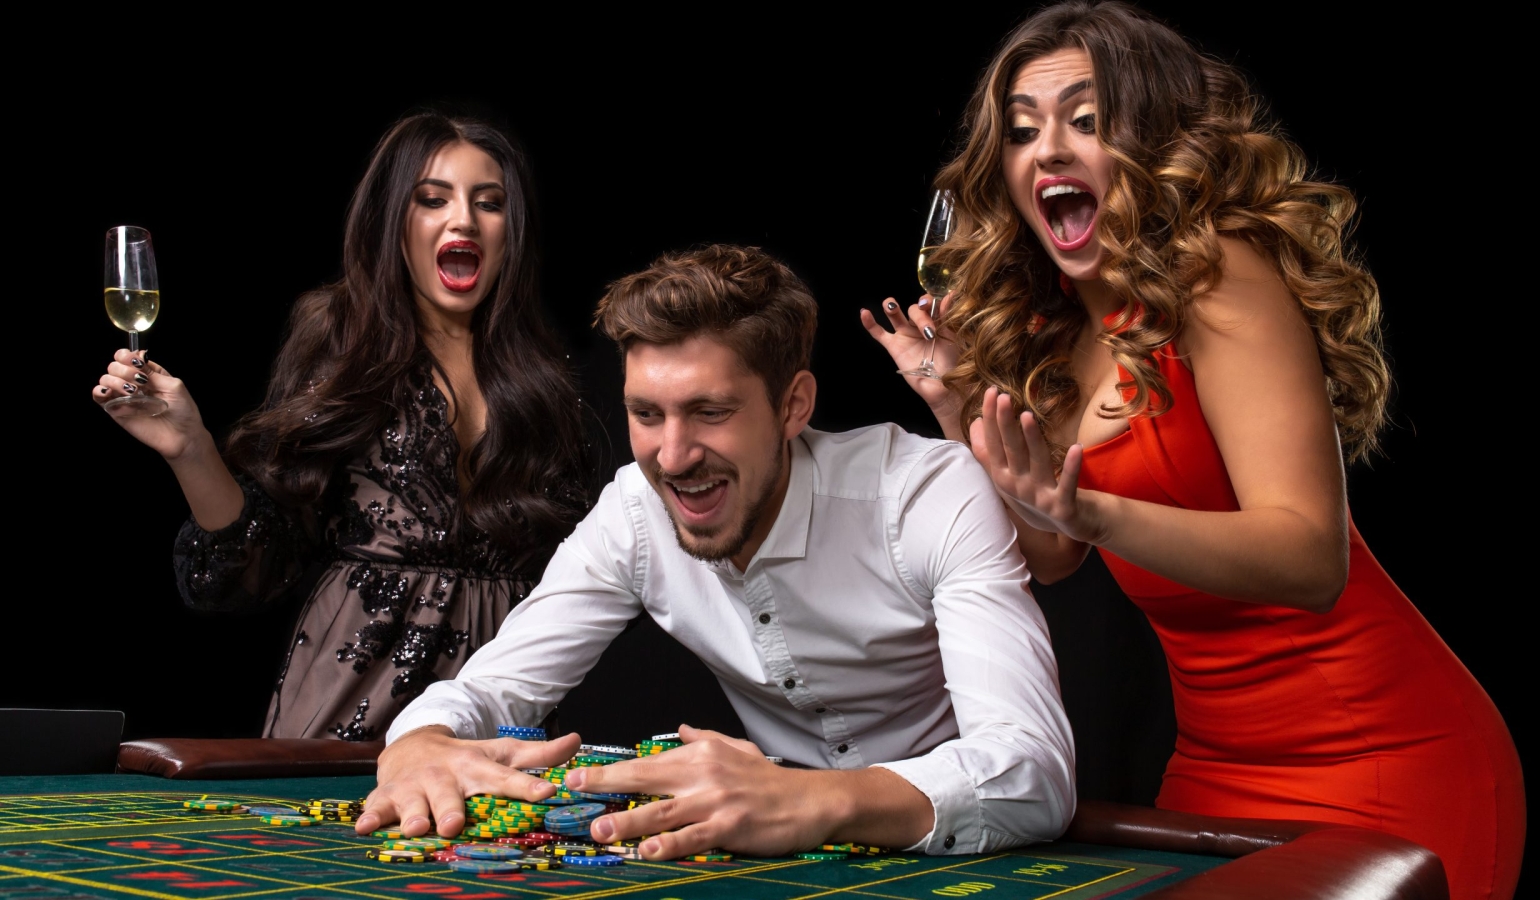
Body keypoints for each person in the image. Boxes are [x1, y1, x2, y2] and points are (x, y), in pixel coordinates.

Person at [861, 3, 1523, 898]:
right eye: (1022, 130)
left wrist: (1093, 509)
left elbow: (1309, 555)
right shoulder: (1051, 330)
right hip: (1216, 767)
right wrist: (955, 406)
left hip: (1386, 755)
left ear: (1153, 141)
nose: (1048, 149)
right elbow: (1055, 553)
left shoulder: (1218, 274)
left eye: (1086, 121)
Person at [361, 244, 1075, 859]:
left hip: (958, 851)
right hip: (764, 841)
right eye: (646, 415)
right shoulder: (635, 513)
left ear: (794, 406)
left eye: (710, 412)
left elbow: (1032, 774)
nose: (673, 456)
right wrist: (419, 740)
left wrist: (810, 799)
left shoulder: (925, 495)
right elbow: (490, 689)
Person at [92, 112, 592, 742]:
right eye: (433, 199)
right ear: (393, 221)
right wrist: (190, 448)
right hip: (349, 717)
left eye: (488, 204)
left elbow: (585, 581)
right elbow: (256, 567)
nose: (463, 219)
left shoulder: (545, 376)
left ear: (509, 231)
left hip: (495, 725)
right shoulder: (342, 339)